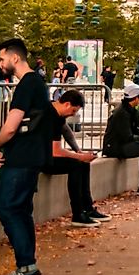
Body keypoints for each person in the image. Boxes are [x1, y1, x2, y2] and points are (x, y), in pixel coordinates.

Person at [0, 38, 54, 275]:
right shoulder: (37, 83)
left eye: (2, 58)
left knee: (8, 208)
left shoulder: (27, 85)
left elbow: (11, 125)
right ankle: (24, 266)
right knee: (21, 210)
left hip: (22, 158)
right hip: (31, 156)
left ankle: (27, 266)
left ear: (15, 58)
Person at [39, 90, 109, 227]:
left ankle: (88, 208)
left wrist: (78, 150)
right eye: (73, 111)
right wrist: (80, 156)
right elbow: (56, 151)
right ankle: (77, 214)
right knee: (76, 165)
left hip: (45, 155)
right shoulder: (50, 116)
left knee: (83, 164)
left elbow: (66, 131)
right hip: (38, 159)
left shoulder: (57, 113)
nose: (73, 114)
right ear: (66, 104)